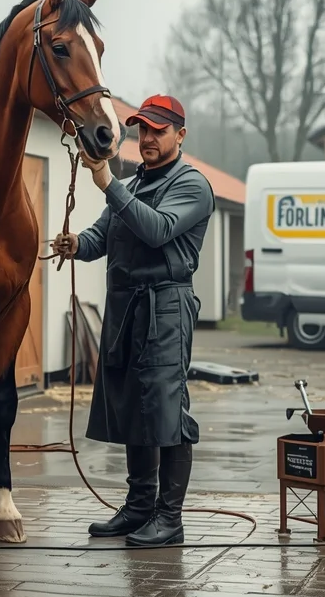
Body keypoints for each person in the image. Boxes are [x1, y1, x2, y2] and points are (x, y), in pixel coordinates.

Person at [52, 94, 215, 547]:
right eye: (142, 129)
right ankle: (140, 507)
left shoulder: (193, 185)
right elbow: (105, 234)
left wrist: (107, 183)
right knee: (133, 405)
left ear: (179, 136)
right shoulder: (136, 181)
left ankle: (170, 518)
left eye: (157, 130)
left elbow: (158, 229)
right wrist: (76, 244)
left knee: (165, 410)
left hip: (165, 307)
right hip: (125, 307)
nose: (147, 138)